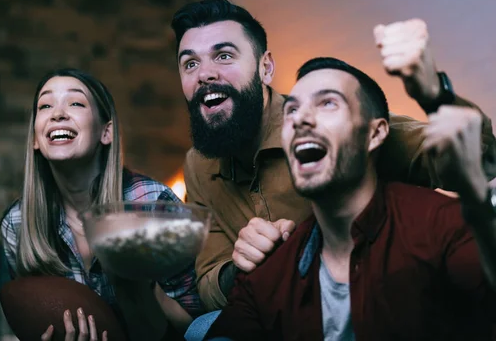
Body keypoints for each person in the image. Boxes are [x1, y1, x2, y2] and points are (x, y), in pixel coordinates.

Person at [171, 0, 496, 314]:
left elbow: (481, 160)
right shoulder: (198, 166)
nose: (205, 74)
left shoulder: (339, 128)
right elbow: (209, 284)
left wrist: (435, 94)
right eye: (190, 63)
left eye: (224, 56)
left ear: (265, 67)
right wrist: (241, 267)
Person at [203, 56, 496, 340]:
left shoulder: (445, 227)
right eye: (291, 110)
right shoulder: (271, 272)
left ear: (375, 133)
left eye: (328, 103)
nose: (301, 118)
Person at [0, 68, 201, 341]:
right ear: (35, 139)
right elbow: (31, 313)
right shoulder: (17, 224)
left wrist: (141, 286)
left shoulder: (153, 204)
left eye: (76, 103)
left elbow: (199, 323)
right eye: (45, 105)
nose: (57, 113)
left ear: (106, 132)